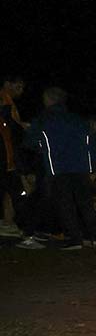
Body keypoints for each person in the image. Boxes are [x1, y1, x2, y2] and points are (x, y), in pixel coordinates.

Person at [22, 87, 96, 250]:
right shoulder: (77, 120)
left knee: (65, 204)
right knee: (86, 203)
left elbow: (31, 142)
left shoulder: (44, 119)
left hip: (58, 167)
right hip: (81, 167)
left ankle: (75, 239)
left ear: (48, 100)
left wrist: (43, 146)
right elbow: (91, 143)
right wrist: (93, 166)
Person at [0, 75, 28, 238]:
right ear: (7, 83)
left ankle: (7, 223)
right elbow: (9, 126)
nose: (21, 91)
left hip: (9, 152)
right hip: (4, 151)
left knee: (11, 188)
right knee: (12, 187)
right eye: (18, 87)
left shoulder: (10, 102)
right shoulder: (4, 101)